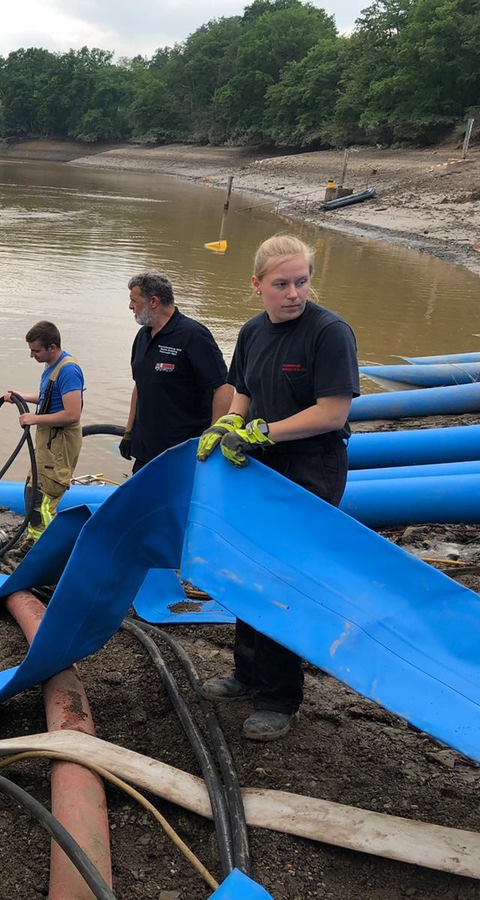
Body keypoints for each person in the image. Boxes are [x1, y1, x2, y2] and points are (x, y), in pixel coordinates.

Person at [195, 234, 360, 742]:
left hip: (311, 466)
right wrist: (228, 424)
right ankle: (247, 674)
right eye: (281, 284)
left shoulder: (329, 333)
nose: (294, 293)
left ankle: (278, 698)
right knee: (247, 569)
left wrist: (265, 432)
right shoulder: (251, 332)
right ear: (256, 285)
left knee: (285, 581)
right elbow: (242, 391)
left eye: (302, 281)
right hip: (258, 462)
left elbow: (333, 411)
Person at [121, 271, 233, 472]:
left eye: (134, 300)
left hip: (182, 451)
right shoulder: (143, 336)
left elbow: (223, 388)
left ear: (153, 301)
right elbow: (141, 384)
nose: (130, 306)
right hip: (146, 449)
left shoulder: (193, 335)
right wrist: (129, 432)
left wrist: (214, 435)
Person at [2, 321, 84, 541]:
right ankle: (33, 543)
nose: (32, 355)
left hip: (59, 445)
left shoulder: (68, 371)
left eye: (36, 350)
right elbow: (51, 398)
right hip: (47, 443)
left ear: (52, 346)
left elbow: (72, 413)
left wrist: (34, 418)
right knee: (32, 493)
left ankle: (48, 549)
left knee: (43, 500)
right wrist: (22, 397)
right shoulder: (52, 367)